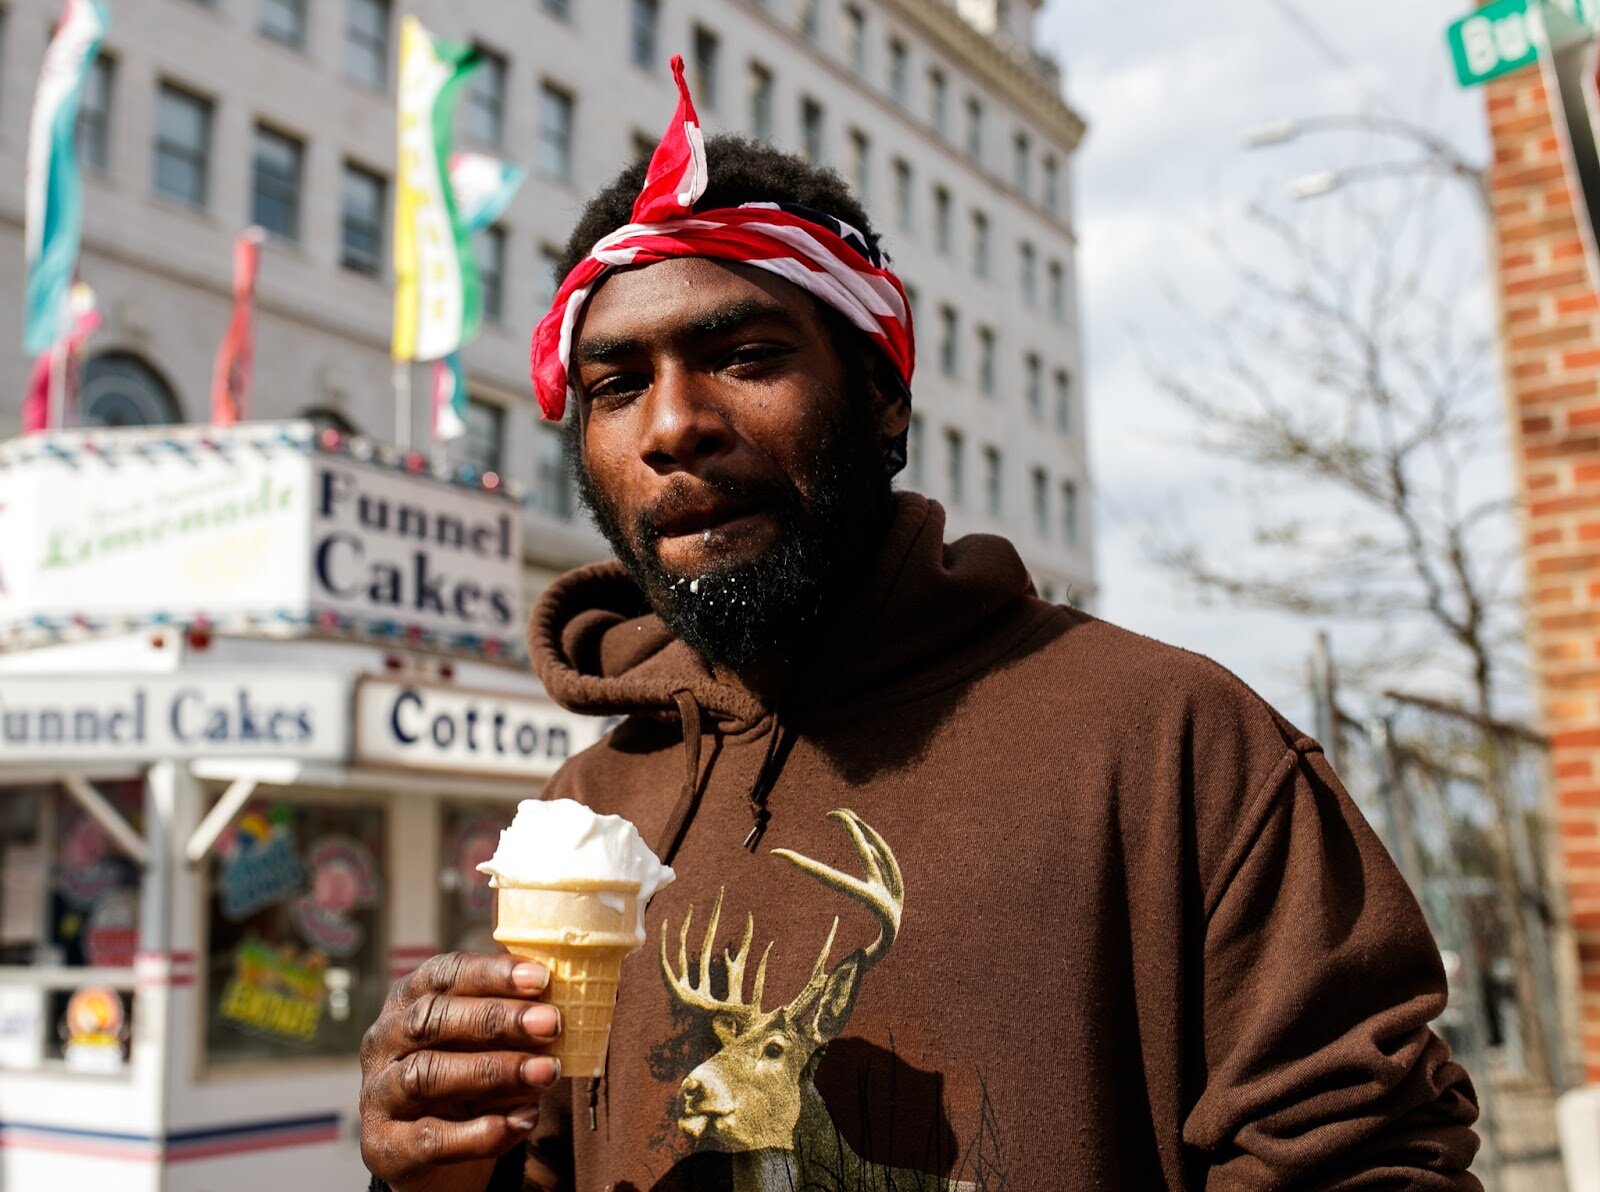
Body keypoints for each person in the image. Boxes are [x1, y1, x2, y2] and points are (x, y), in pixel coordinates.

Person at [358, 61, 1481, 1192]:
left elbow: (1369, 1161)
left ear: (885, 396)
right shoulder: (583, 817)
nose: (674, 425)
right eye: (614, 385)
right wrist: (432, 1170)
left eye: (745, 358)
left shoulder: (1171, 745)